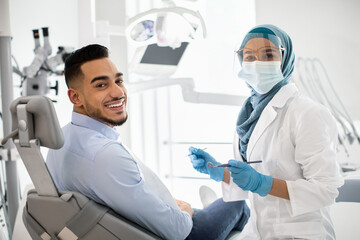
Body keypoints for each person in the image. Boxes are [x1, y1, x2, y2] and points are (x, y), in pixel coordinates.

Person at [46, 44, 250, 240]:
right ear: (75, 97)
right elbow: (177, 231)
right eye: (101, 85)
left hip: (126, 226)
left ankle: (207, 210)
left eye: (118, 81)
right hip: (179, 235)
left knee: (199, 209)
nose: (118, 92)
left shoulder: (60, 141)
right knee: (237, 203)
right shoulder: (104, 155)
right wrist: (185, 212)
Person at [188, 24, 344, 239]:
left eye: (268, 55)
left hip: (301, 232)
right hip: (257, 230)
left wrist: (262, 183)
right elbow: (252, 178)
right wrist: (218, 172)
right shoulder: (250, 113)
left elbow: (326, 190)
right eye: (249, 56)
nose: (257, 63)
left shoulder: (307, 113)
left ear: (286, 58)